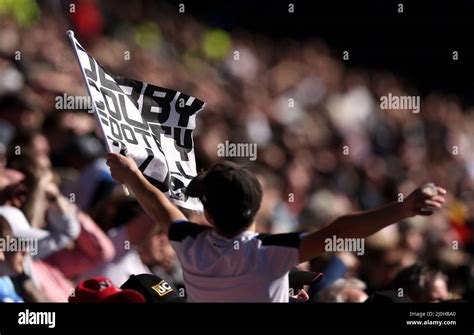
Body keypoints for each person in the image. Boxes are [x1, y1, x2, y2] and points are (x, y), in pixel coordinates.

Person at [106, 154, 447, 302]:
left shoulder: (189, 244)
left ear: (208, 215)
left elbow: (160, 206)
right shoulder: (269, 253)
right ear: (258, 207)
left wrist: (131, 175)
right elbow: (339, 231)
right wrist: (402, 209)